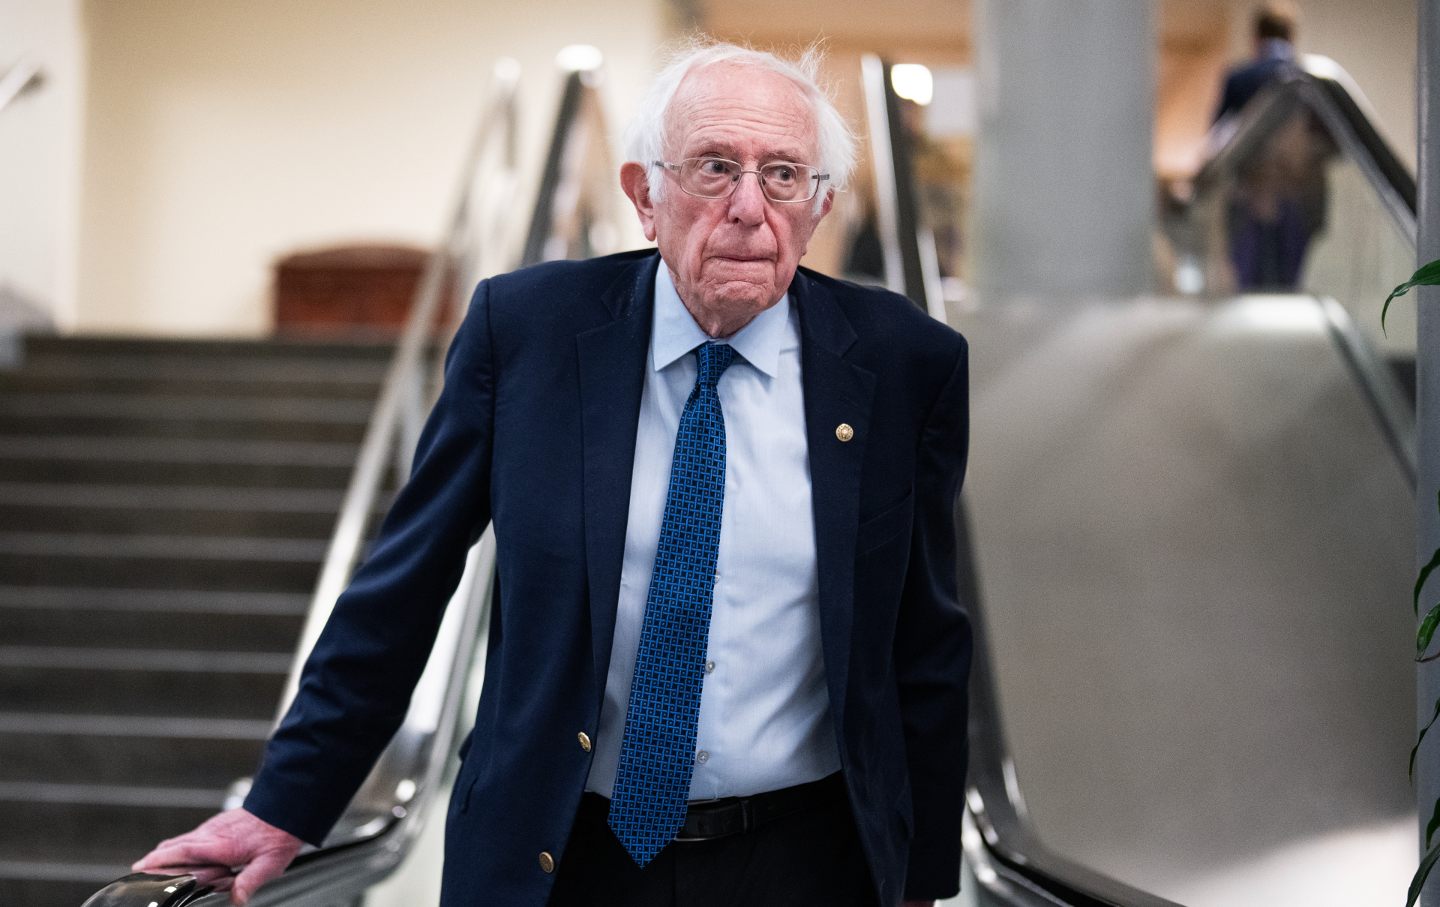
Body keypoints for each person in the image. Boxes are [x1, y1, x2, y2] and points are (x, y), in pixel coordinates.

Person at [135, 39, 972, 907]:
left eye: (785, 175)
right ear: (645, 195)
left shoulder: (907, 365)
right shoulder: (525, 332)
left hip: (809, 861)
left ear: (821, 204)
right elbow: (403, 586)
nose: (750, 208)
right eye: (715, 168)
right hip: (561, 852)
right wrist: (284, 806)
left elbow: (927, 643)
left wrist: (919, 884)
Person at [1213, 1, 1330, 290]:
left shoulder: (1240, 80)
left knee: (1251, 286)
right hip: (1301, 197)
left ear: (1256, 38)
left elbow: (1217, 138)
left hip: (1250, 197)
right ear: (1291, 36)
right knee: (1289, 284)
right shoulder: (1315, 82)